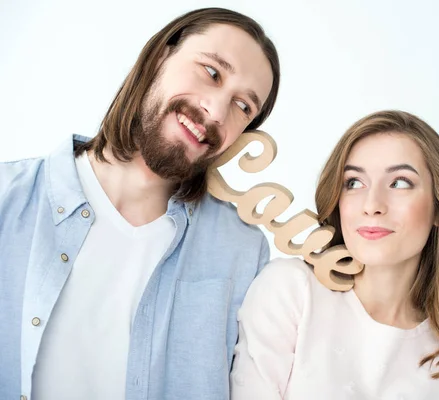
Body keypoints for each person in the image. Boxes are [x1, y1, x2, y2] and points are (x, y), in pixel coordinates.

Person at [0, 7, 280, 400]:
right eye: (212, 72)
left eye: (243, 107)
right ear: (160, 57)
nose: (216, 111)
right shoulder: (6, 197)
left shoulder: (244, 252)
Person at [230, 110, 439, 400]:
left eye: (399, 182)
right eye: (354, 183)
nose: (372, 205)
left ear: (438, 206)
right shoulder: (291, 291)